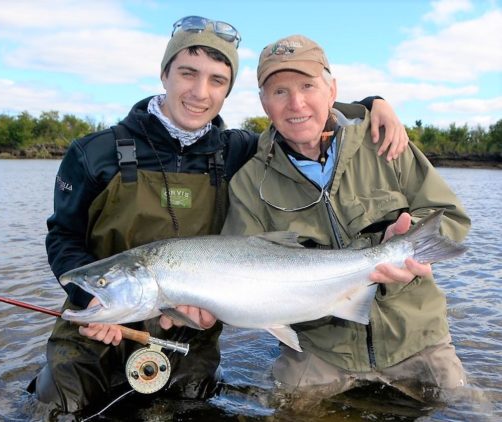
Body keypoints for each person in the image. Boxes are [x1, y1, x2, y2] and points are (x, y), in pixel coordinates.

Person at [28, 17, 409, 416]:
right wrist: (87, 298)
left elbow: (300, 118)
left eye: (217, 80)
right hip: (98, 322)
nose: (199, 92)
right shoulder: (94, 153)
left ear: (228, 89)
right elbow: (62, 237)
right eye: (187, 74)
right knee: (57, 408)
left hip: (194, 336)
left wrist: (370, 105)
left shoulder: (238, 149)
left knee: (191, 410)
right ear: (164, 74)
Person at [220, 34, 471, 404]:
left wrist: (409, 250)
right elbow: (237, 274)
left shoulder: (385, 142)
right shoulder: (249, 183)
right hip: (321, 351)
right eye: (279, 92)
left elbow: (450, 218)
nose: (296, 103)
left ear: (332, 89)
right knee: (272, 410)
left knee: (472, 410)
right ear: (263, 103)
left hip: (415, 337)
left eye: (308, 86)